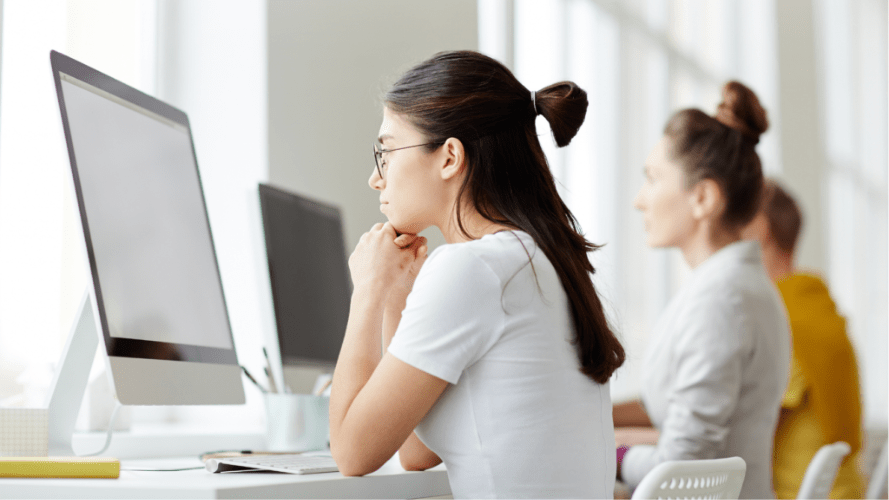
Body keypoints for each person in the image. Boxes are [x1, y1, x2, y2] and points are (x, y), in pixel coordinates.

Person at [328, 50, 626, 499]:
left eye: (386, 151)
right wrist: (396, 297)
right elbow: (415, 451)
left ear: (449, 157)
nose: (375, 177)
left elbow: (352, 453)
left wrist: (367, 290)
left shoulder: (473, 269)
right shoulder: (541, 257)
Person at [613, 81, 791, 499]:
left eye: (653, 179)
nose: (640, 200)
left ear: (703, 198)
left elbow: (682, 467)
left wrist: (612, 452)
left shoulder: (722, 300)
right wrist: (595, 416)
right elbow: (681, 413)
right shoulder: (736, 288)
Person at [742, 180, 864, 499]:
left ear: (758, 229)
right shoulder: (816, 306)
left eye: (735, 219)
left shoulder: (783, 316)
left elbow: (747, 428)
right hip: (849, 488)